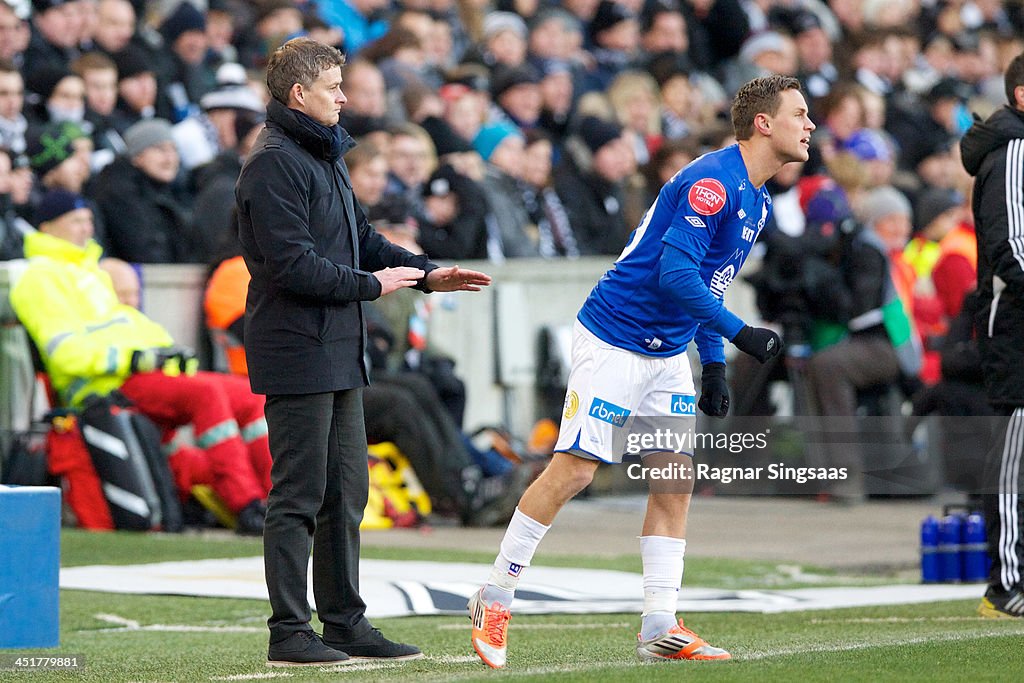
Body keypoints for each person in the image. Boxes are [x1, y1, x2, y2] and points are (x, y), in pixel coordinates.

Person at [468, 74, 812, 668]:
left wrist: (712, 365)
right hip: (615, 340)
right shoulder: (713, 184)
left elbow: (707, 283)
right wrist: (739, 334)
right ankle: (494, 594)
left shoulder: (755, 196)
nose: (810, 126)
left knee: (674, 481)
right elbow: (674, 277)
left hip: (667, 353)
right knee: (574, 471)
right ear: (764, 123)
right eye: (800, 114)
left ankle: (658, 624)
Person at [234, 37, 491, 667]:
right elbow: (294, 266)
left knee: (347, 492)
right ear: (300, 94)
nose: (346, 98)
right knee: (298, 494)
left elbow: (363, 239)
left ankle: (345, 622)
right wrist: (372, 287)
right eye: (334, 88)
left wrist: (426, 272)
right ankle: (289, 631)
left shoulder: (324, 155)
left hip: (338, 349)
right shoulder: (272, 163)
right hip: (297, 349)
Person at [8, 189, 271, 535]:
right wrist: (131, 359)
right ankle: (246, 506)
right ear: (47, 226)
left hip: (139, 375)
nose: (86, 228)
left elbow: (131, 327)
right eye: (75, 221)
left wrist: (168, 355)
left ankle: (278, 499)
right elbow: (65, 351)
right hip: (105, 387)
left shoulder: (91, 271)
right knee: (207, 394)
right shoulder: (39, 277)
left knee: (250, 395)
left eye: (88, 220)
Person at [960, 50, 1024, 618]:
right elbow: (1013, 250)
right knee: (1017, 447)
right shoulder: (1014, 151)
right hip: (1017, 325)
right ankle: (1007, 584)